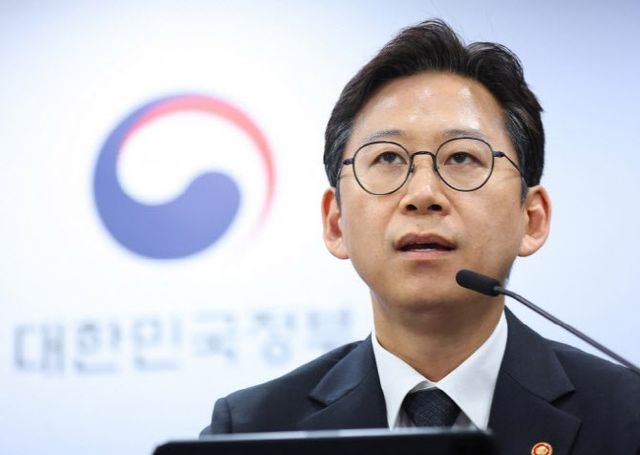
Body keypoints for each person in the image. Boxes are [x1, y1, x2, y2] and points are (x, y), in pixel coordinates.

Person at [201, 19, 640, 454]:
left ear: (532, 218)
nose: (423, 195)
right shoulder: (251, 431)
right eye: (389, 158)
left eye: (462, 157)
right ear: (336, 223)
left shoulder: (627, 416)